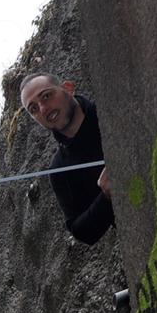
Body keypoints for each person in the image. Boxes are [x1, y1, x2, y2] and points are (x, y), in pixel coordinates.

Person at [20, 73, 115, 244]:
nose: (43, 109)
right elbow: (81, 231)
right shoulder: (60, 170)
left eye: (46, 96)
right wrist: (106, 197)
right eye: (34, 109)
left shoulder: (113, 109)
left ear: (68, 88)